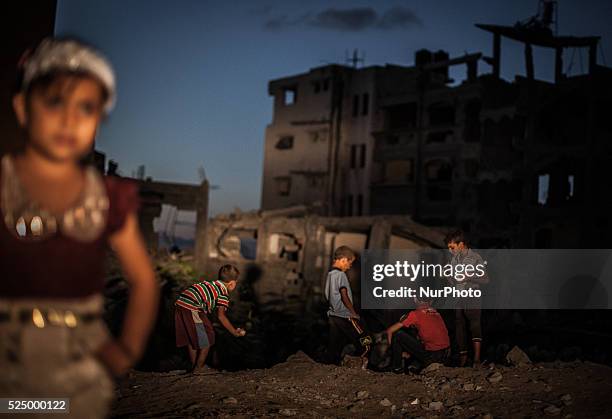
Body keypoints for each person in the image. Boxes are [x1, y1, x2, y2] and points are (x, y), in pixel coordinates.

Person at [0, 38, 159, 418]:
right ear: (23, 108)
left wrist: (127, 350)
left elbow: (143, 280)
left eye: (86, 108)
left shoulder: (106, 198)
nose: (69, 119)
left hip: (80, 350)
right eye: (55, 101)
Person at [175, 264, 246, 373]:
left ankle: (194, 365)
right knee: (208, 336)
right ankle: (199, 367)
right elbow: (221, 316)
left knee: (192, 336)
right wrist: (234, 332)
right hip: (192, 307)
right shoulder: (223, 293)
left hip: (181, 303)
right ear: (232, 284)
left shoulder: (211, 284)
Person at [444, 229, 489, 367]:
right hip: (459, 295)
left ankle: (476, 359)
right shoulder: (453, 259)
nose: (450, 251)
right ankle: (463, 358)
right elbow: (453, 281)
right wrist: (448, 277)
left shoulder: (475, 257)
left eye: (452, 247)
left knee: (474, 325)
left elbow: (485, 279)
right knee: (459, 326)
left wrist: (469, 277)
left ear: (461, 244)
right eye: (449, 248)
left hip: (472, 294)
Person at [323, 246, 371, 365]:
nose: (350, 266)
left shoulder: (330, 275)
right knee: (365, 340)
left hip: (333, 315)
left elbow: (327, 295)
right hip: (345, 315)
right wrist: (353, 313)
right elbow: (344, 295)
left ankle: (331, 364)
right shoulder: (341, 275)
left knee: (335, 344)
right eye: (350, 263)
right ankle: (363, 362)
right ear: (343, 259)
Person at [386, 297, 450, 373]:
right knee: (415, 333)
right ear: (431, 301)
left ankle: (397, 368)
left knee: (398, 334)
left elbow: (390, 331)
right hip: (445, 355)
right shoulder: (435, 312)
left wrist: (396, 351)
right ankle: (415, 365)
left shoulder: (414, 314)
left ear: (415, 300)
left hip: (432, 356)